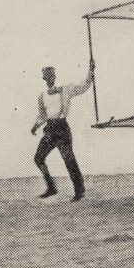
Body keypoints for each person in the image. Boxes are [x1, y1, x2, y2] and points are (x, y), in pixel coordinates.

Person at [32, 60, 95, 200]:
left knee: (68, 159)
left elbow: (83, 86)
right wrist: (36, 125)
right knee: (38, 158)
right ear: (44, 79)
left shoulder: (66, 89)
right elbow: (42, 115)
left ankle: (80, 191)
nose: (49, 78)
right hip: (50, 130)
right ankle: (52, 187)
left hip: (62, 129)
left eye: (51, 76)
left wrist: (90, 72)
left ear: (54, 77)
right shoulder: (42, 96)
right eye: (46, 76)